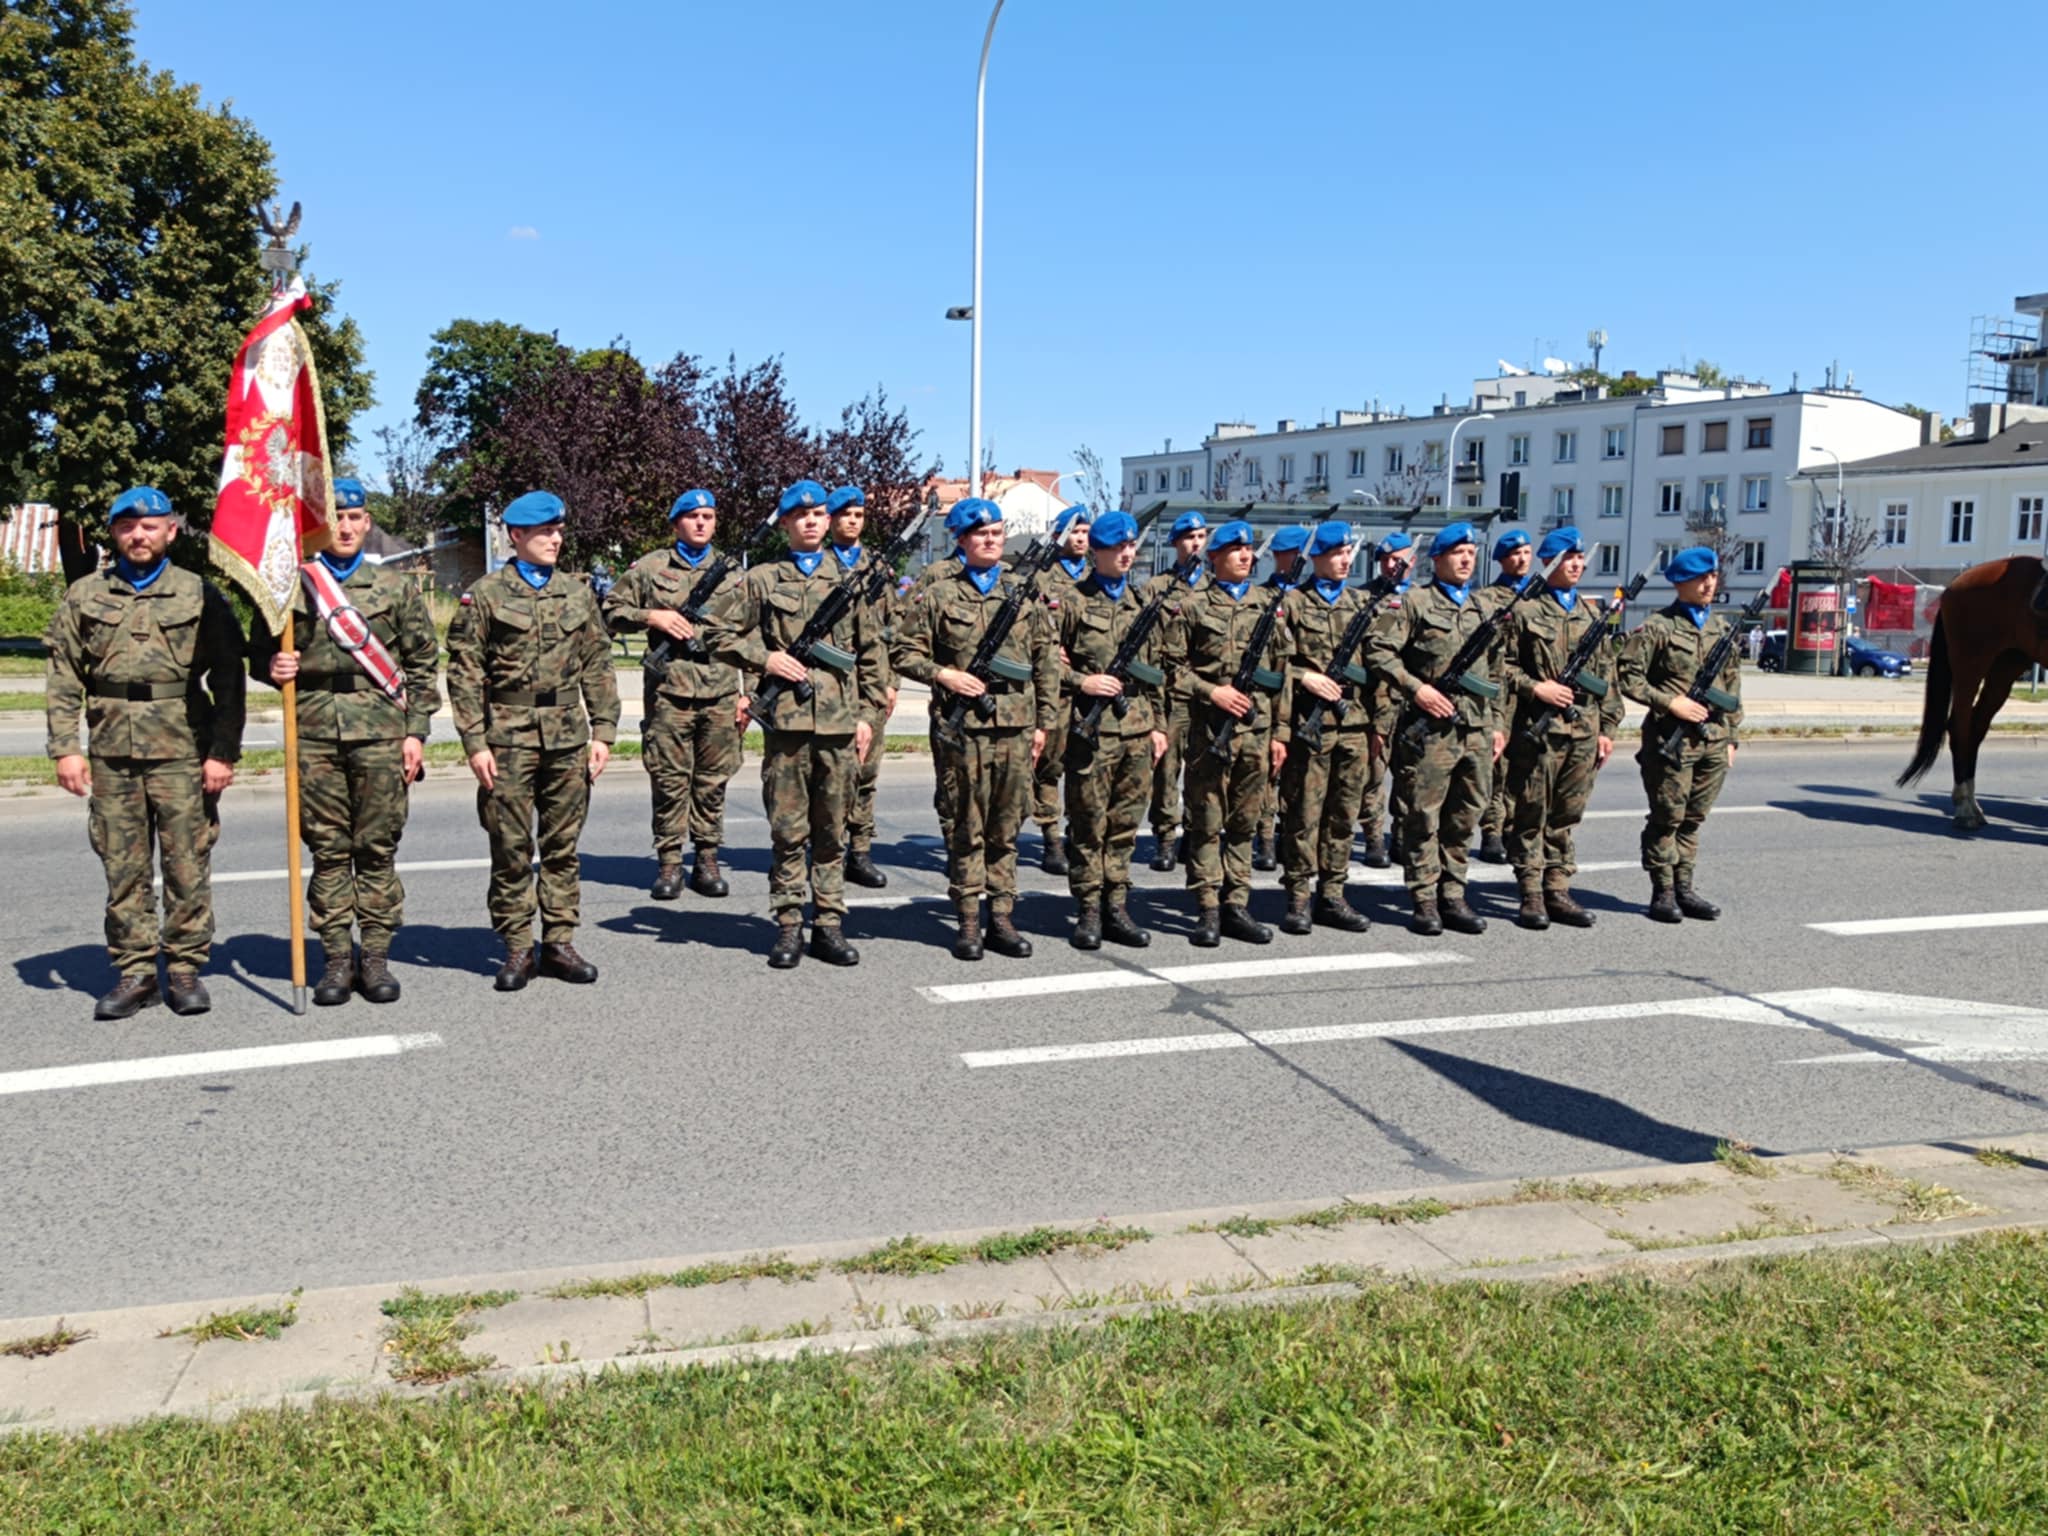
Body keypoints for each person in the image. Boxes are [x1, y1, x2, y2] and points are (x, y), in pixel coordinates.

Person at [45, 486, 246, 1019]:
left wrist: (223, 751)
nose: (139, 535)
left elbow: (229, 677)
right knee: (122, 865)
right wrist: (65, 748)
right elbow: (63, 675)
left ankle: (183, 969)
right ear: (114, 533)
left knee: (187, 864)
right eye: (127, 526)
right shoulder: (85, 594)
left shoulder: (200, 594)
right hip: (112, 751)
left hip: (184, 748)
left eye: (150, 525)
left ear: (170, 531)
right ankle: (135, 972)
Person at [250, 476, 439, 1005]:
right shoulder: (289, 587)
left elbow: (423, 664)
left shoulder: (394, 587)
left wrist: (416, 733)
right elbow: (257, 655)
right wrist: (272, 666)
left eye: (355, 517)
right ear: (317, 524)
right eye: (336, 518)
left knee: (377, 849)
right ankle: (336, 959)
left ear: (367, 522)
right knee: (329, 850)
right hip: (313, 733)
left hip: (381, 731)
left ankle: (374, 958)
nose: (346, 527)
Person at [446, 490, 621, 990]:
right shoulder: (486, 594)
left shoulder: (577, 593)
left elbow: (598, 664)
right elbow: (464, 671)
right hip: (507, 737)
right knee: (511, 846)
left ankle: (559, 942)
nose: (555, 539)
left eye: (559, 530)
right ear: (516, 535)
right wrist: (474, 742)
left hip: (567, 736)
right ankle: (518, 946)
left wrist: (604, 732)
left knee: (562, 846)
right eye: (545, 531)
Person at [718, 479, 887, 968]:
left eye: (818, 515)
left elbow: (873, 653)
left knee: (832, 833)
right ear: (787, 524)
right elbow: (718, 631)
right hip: (787, 728)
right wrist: (765, 658)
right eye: (800, 515)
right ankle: (789, 924)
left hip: (840, 725)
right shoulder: (763, 579)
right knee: (788, 832)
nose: (811, 522)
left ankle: (829, 925)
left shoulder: (851, 579)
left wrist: (868, 716)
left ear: (828, 521)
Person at [894, 498, 1059, 961]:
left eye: (997, 532)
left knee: (1007, 826)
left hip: (1016, 725)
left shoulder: (1022, 592)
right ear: (963, 540)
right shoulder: (940, 593)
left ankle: (1002, 917)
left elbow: (1045, 661)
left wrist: (1044, 723)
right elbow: (903, 650)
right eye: (981, 534)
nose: (991, 540)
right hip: (963, 727)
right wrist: (944, 675)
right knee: (967, 824)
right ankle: (968, 919)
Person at [602, 488, 746, 904]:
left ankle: (707, 859)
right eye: (692, 516)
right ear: (676, 523)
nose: (701, 522)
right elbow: (610, 611)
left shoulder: (733, 573)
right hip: (668, 693)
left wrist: (749, 694)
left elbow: (752, 634)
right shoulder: (651, 567)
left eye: (708, 516)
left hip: (720, 691)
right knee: (669, 780)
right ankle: (669, 862)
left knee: (713, 781)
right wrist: (652, 616)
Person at [1365, 521, 1506, 937]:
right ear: (1438, 559)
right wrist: (1417, 689)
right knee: (1422, 816)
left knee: (1465, 814)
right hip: (1429, 731)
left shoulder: (1484, 608)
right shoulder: (1412, 603)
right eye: (1457, 553)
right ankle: (1424, 898)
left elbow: (1497, 671)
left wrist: (1498, 724)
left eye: (1471, 553)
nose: (1466, 560)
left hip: (1476, 728)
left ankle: (1453, 893)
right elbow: (1378, 650)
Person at [1498, 526, 1623, 930]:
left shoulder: (1591, 614)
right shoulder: (1524, 611)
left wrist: (1607, 729)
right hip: (1539, 732)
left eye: (1579, 558)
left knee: (1567, 814)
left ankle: (1557, 887)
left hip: (1583, 731)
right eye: (1568, 558)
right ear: (1548, 562)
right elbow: (1501, 667)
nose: (1576, 564)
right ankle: (1531, 893)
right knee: (1531, 813)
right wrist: (1537, 687)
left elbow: (1607, 677)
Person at [1057, 511, 1170, 949]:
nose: (1127, 553)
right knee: (1088, 823)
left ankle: (1116, 905)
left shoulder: (1143, 604)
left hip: (1137, 729)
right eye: (1117, 547)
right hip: (1092, 730)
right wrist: (1081, 681)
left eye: (1130, 546)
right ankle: (1088, 908)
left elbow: (1156, 672)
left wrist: (1158, 726)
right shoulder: (1073, 601)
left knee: (1125, 824)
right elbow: (1045, 663)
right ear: (1097, 552)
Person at [1178, 520, 1291, 946]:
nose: (1246, 556)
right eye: (1235, 549)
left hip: (1257, 730)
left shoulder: (1268, 605)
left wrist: (1280, 733)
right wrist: (1213, 692)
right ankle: (1207, 907)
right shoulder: (1193, 605)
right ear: (1214, 557)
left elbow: (1282, 674)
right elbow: (1171, 669)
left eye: (1249, 550)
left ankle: (1236, 904)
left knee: (1245, 821)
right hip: (1210, 731)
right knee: (1207, 820)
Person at [1619, 545, 1743, 924]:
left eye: (1712, 576)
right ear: (1679, 583)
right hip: (1670, 742)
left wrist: (1732, 737)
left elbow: (1733, 687)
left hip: (1713, 740)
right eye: (1700, 578)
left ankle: (1685, 887)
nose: (1709, 584)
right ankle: (1663, 892)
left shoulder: (1722, 629)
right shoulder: (1658, 627)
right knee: (1667, 818)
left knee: (1693, 819)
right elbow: (1628, 676)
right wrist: (1671, 703)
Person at [1275, 521, 1374, 936]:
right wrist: (1305, 677)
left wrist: (1380, 727)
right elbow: (1275, 662)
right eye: (1336, 553)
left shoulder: (1363, 604)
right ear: (1316, 557)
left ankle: (1332, 894)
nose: (1345, 560)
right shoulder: (1292, 603)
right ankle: (1298, 897)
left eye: (1348, 552)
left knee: (1343, 814)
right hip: (1310, 726)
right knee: (1304, 814)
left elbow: (1381, 665)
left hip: (1354, 724)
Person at [821, 485, 898, 891]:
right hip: (829, 683)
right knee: (831, 772)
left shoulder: (878, 567)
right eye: (845, 514)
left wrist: (891, 681)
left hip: (870, 681)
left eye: (859, 515)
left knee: (867, 771)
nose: (853, 521)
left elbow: (892, 627)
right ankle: (827, 848)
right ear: (830, 519)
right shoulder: (818, 564)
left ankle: (861, 851)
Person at [1145, 510, 1209, 872]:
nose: (1195, 543)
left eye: (1200, 537)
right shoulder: (1158, 588)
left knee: (1202, 768)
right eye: (1189, 538)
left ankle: (1193, 833)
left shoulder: (1215, 586)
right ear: (1175, 543)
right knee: (1167, 769)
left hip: (1207, 694)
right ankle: (1165, 838)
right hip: (1172, 693)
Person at [1031, 503, 1092, 877]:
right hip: (1057, 689)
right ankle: (1051, 837)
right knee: (1050, 767)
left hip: (1090, 688)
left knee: (1083, 767)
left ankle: (1075, 832)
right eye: (1074, 532)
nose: (1081, 538)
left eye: (1085, 532)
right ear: (1058, 536)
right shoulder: (1041, 579)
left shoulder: (1095, 576)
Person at [1252, 523, 1310, 873]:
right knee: (1269, 773)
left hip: (1308, 703)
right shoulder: (1263, 598)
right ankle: (1265, 838)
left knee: (1298, 777)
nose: (1301, 560)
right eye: (1294, 554)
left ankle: (1290, 836)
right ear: (1279, 556)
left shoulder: (1308, 598)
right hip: (1275, 695)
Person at [1358, 529, 1416, 870]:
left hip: (1415, 702)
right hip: (1376, 699)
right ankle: (1373, 837)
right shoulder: (1363, 598)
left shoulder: (1422, 598)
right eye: (1387, 560)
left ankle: (1402, 835)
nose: (1393, 565)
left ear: (1413, 560)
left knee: (1410, 773)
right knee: (1374, 773)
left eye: (1399, 559)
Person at [1475, 528, 1533, 865]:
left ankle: (1515, 827)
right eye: (1515, 554)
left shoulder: (1539, 597)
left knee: (1524, 765)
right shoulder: (1488, 598)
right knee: (1497, 764)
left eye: (1526, 552)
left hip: (1535, 696)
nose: (1522, 559)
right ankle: (1492, 830)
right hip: (1503, 693)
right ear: (1501, 559)